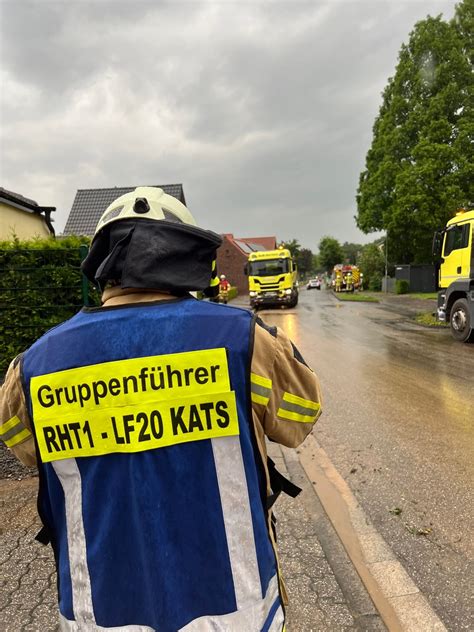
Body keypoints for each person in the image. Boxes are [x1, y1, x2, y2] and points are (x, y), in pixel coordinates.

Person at [0, 187, 322, 631]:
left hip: (100, 612)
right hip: (235, 610)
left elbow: (24, 447)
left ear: (102, 264)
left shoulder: (34, 364)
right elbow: (301, 416)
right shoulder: (242, 340)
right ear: (185, 254)